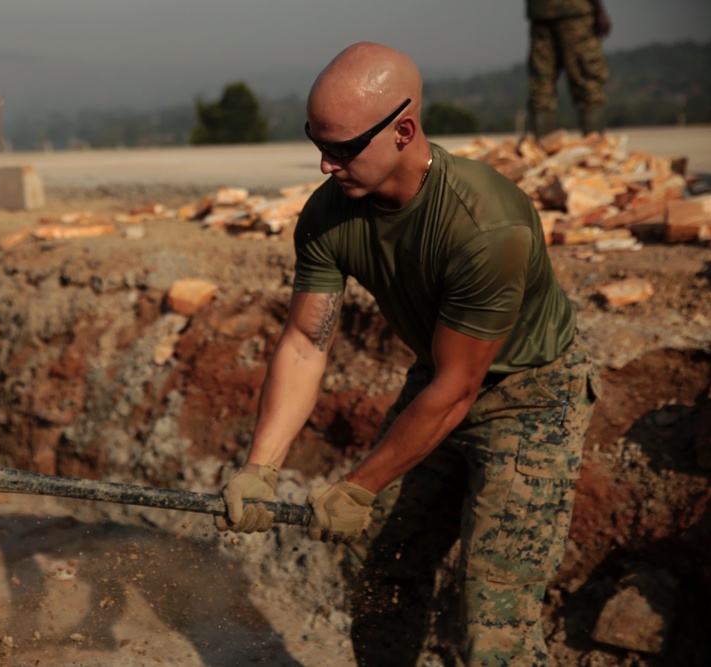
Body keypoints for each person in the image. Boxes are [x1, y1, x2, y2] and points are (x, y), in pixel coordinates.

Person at [214, 42, 600, 666]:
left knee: (493, 619)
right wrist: (261, 469)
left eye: (341, 148)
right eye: (316, 142)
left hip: (531, 398)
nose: (324, 164)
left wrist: (357, 487)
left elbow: (459, 388)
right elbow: (306, 344)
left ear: (404, 130)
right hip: (439, 379)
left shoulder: (485, 227)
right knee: (380, 569)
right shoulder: (328, 216)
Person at [526, 0, 611, 138]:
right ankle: (595, 150)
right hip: (576, 12)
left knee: (542, 84)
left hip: (541, 11)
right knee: (588, 82)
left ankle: (541, 150)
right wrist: (600, 10)